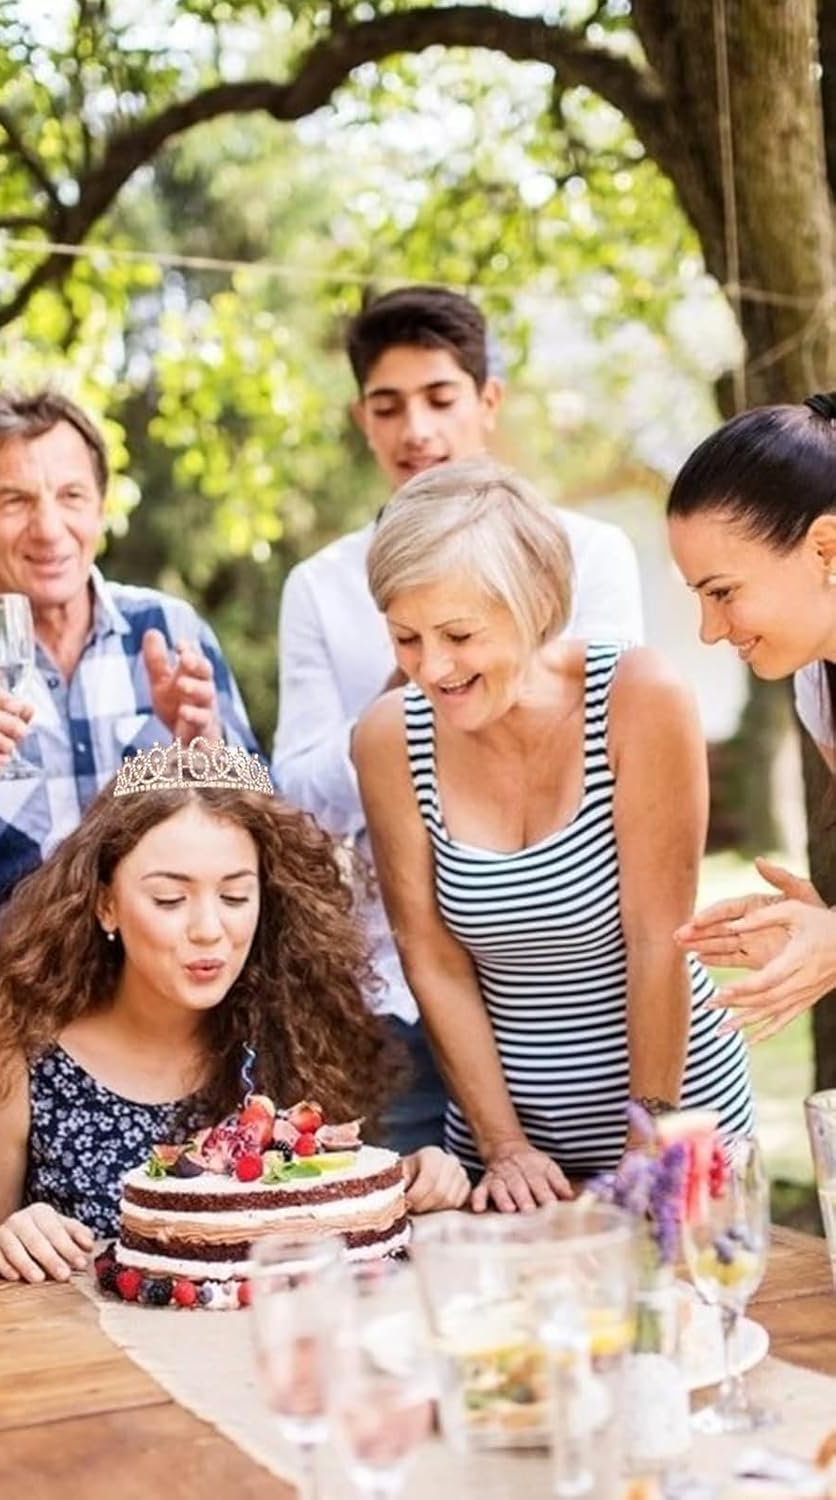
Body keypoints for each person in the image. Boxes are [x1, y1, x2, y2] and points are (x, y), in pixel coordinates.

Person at [274, 286, 645, 1155]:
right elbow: (304, 793)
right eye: (388, 406)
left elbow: (590, 743)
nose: (417, 431)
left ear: (488, 402)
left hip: (570, 980)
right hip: (398, 989)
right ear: (362, 421)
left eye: (441, 398)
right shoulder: (321, 587)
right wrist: (410, 681)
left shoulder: (589, 555)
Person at [0, 740, 469, 1284]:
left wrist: (414, 1181)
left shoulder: (294, 1031)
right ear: (105, 902)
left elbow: (332, 1220)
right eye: (170, 900)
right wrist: (7, 1243)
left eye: (234, 897)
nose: (209, 930)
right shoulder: (12, 1057)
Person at [353, 458, 752, 1212]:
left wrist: (650, 1138)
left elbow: (657, 936)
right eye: (406, 638)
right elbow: (431, 958)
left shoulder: (640, 698)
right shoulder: (387, 740)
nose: (431, 668)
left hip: (673, 1116)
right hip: (509, 1151)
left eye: (458, 634)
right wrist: (502, 1144)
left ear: (535, 606)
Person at [0, 389, 260, 1007]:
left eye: (71, 496)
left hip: (171, 1027)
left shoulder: (171, 628)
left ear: (101, 506)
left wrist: (205, 748)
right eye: (15, 500)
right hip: (4, 1028)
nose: (49, 528)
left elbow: (265, 839)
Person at [667, 391, 836, 1039]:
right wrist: (816, 932)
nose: (710, 630)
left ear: (824, 549)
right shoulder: (816, 689)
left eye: (723, 593)